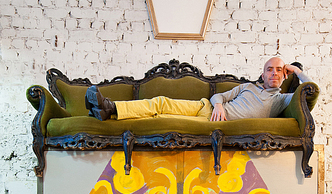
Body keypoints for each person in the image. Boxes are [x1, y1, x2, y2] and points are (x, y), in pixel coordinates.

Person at [85, 57, 311, 122]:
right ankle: (109, 107)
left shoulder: (282, 100)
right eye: (269, 69)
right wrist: (220, 105)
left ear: (284, 75)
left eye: (279, 70)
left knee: (160, 113)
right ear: (262, 74)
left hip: (207, 122)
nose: (274, 73)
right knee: (161, 102)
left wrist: (297, 71)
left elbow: (310, 92)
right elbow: (217, 95)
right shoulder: (248, 87)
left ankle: (109, 111)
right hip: (204, 108)